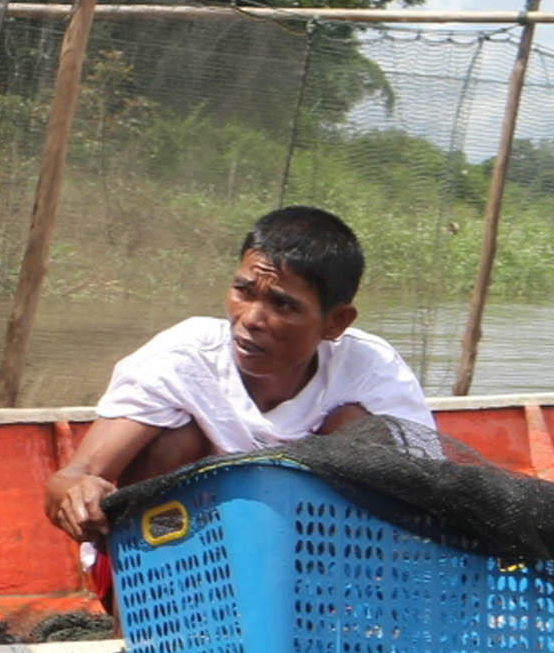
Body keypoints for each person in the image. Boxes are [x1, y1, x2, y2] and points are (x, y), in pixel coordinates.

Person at [45, 205, 434, 544]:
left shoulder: (371, 370)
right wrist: (78, 494)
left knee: (358, 430)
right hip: (182, 548)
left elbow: (426, 490)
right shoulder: (183, 357)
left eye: (282, 305)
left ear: (336, 322)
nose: (250, 319)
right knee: (177, 441)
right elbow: (73, 476)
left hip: (312, 553)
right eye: (243, 291)